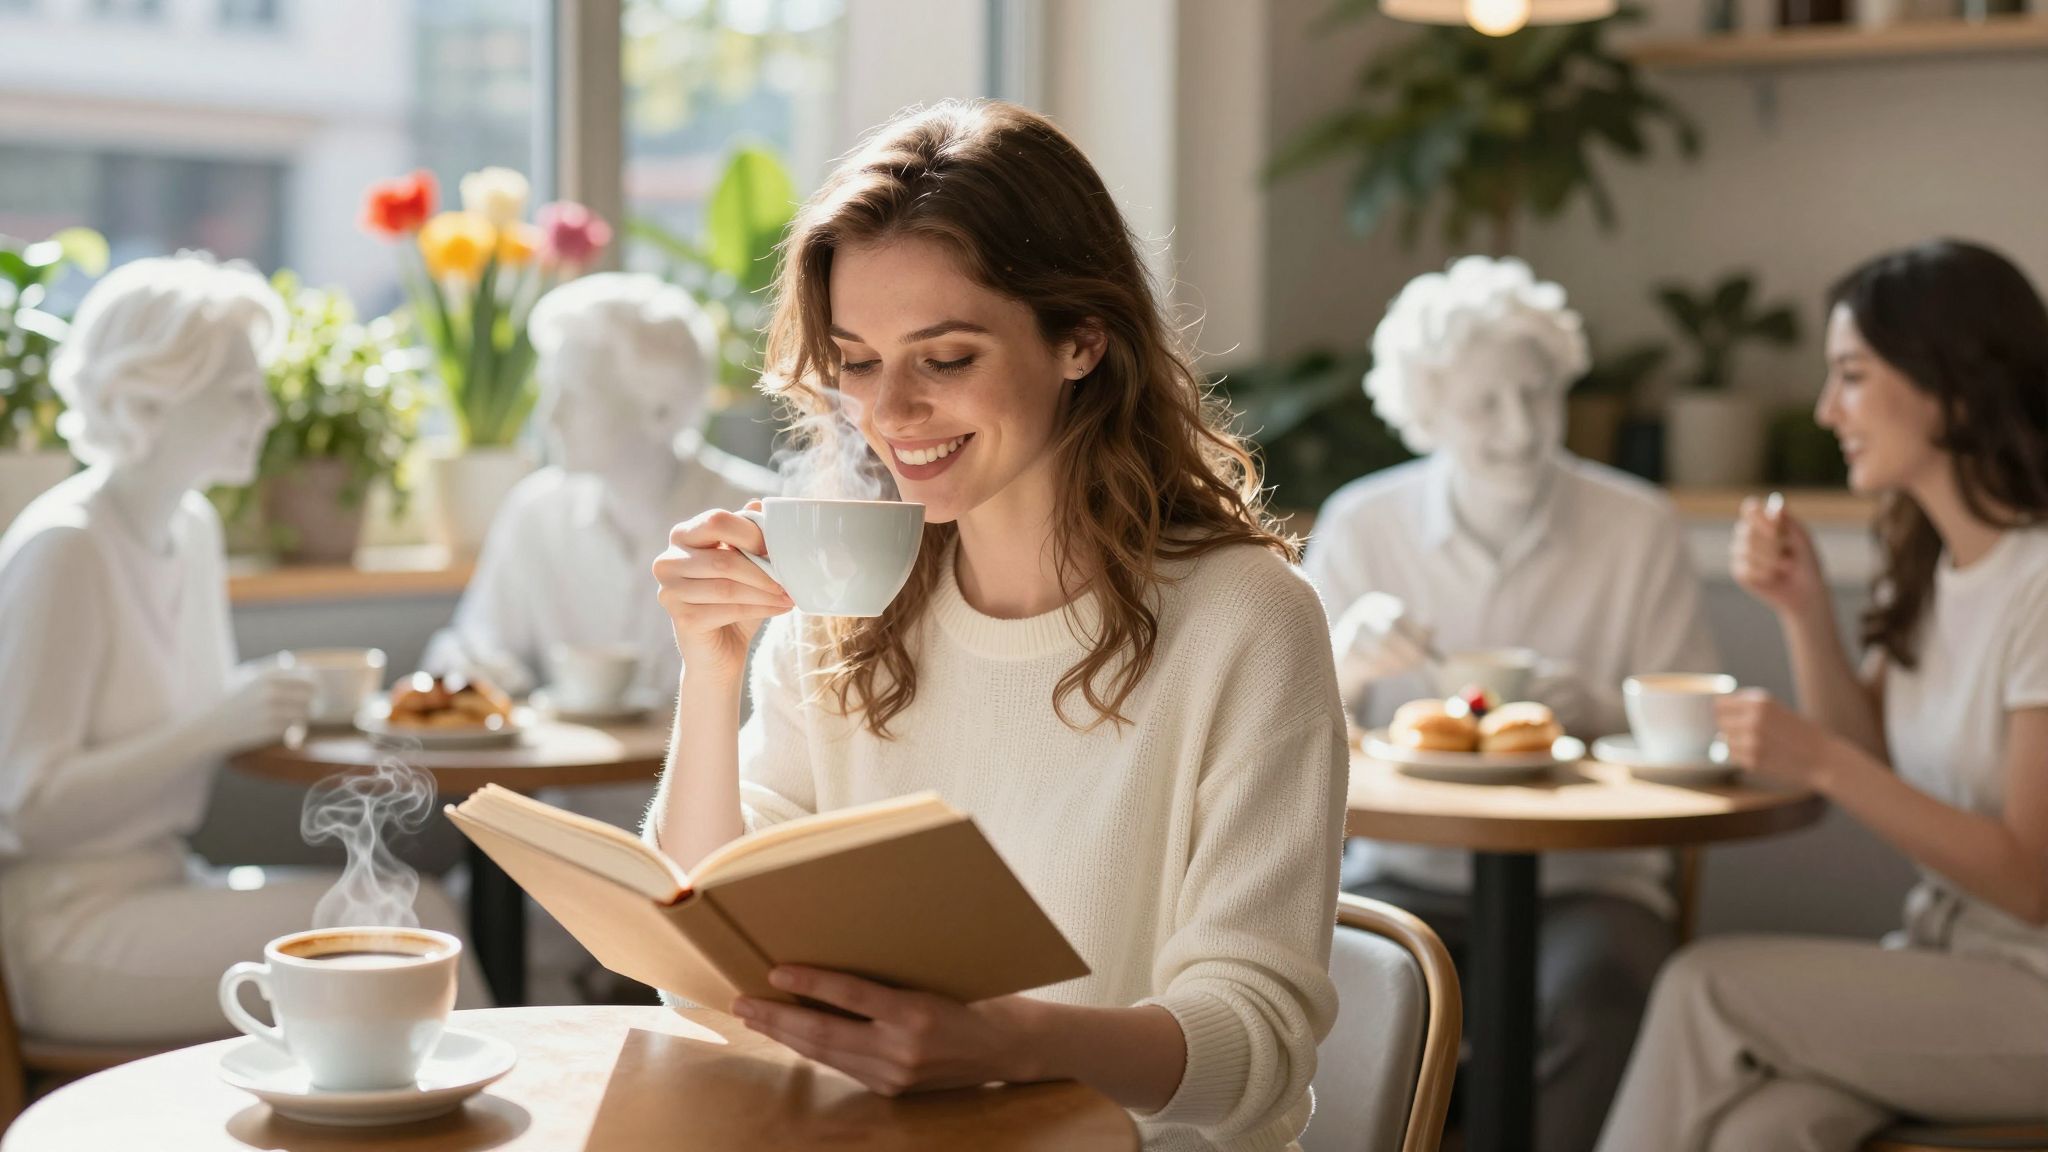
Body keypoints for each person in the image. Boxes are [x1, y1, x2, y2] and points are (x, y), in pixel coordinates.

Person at [646, 100, 1345, 1152]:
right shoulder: (847, 608)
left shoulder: (1243, 620)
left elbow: (1255, 1049)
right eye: (858, 360)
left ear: (1079, 339)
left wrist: (1011, 1043)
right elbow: (702, 988)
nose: (889, 414)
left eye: (946, 358)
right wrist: (709, 671)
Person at [1596, 239, 2048, 1150]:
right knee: (1766, 1130)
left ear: (1951, 383)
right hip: (1948, 963)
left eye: (1850, 375)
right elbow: (1880, 761)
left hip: (2029, 988)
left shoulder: (2040, 585)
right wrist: (1802, 611)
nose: (1824, 408)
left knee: (1705, 986)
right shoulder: (1935, 561)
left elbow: (2028, 880)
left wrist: (1821, 761)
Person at [0, 255, 485, 1044]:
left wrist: (277, 706)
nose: (264, 412)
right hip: (63, 926)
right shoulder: (67, 549)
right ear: (151, 396)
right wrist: (217, 724)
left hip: (168, 878)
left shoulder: (188, 529)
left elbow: (203, 715)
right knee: (418, 929)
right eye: (239, 391)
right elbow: (27, 809)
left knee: (419, 920)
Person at [1302, 256, 1717, 1152]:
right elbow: (1279, 744)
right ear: (1428, 411)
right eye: (1485, 405)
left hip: (1589, 883)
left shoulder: (1635, 526)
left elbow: (1693, 734)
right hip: (1400, 873)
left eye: (1539, 396)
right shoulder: (1364, 526)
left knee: (1604, 986)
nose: (1522, 428)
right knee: (1329, 977)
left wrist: (1598, 706)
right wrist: (1345, 668)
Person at [425, 272, 777, 706]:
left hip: (724, 773)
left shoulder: (761, 517)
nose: (551, 417)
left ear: (661, 408)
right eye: (550, 392)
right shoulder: (535, 513)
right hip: (567, 771)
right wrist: (477, 668)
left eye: (577, 394)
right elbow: (470, 645)